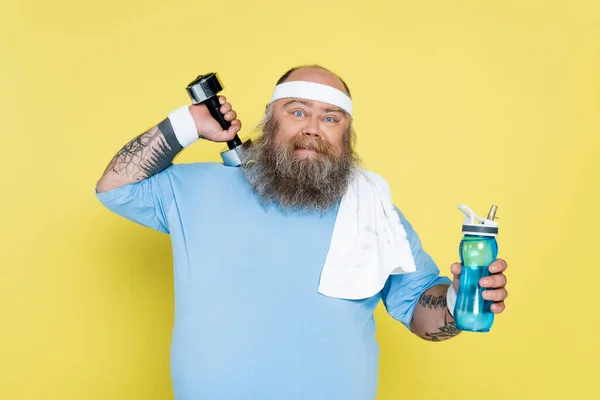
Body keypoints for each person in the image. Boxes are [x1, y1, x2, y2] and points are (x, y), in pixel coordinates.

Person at [95, 65, 508, 400]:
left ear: (346, 138)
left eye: (330, 118)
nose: (313, 127)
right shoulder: (195, 189)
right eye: (297, 112)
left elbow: (420, 311)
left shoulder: (374, 211)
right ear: (268, 122)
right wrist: (188, 123)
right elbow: (115, 187)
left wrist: (460, 298)